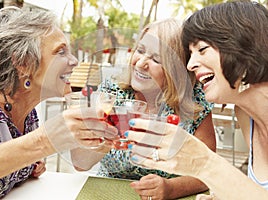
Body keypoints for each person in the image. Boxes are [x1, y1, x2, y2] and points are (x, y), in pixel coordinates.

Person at [0, 7, 118, 199]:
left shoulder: (28, 114)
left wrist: (28, 165)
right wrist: (43, 141)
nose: (74, 61)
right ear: (23, 63)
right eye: (61, 52)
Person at [125, 1, 268, 199]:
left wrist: (206, 165)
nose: (190, 65)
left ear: (243, 50)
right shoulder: (246, 115)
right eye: (190, 54)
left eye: (202, 50)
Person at [71, 18, 216, 199]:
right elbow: (79, 163)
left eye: (156, 59)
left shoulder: (195, 105)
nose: (140, 63)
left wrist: (171, 188)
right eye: (140, 51)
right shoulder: (111, 94)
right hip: (109, 191)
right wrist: (101, 137)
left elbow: (209, 170)